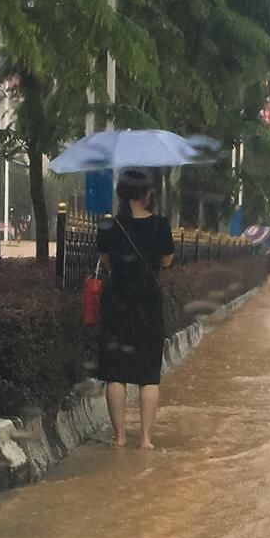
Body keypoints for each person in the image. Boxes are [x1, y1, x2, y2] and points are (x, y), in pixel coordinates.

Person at [96, 168, 175, 450]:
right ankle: (145, 440)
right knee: (148, 375)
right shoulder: (161, 225)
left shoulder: (108, 227)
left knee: (115, 373)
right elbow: (166, 262)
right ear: (147, 194)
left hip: (116, 300)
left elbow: (106, 262)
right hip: (148, 303)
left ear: (121, 193)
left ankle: (118, 438)